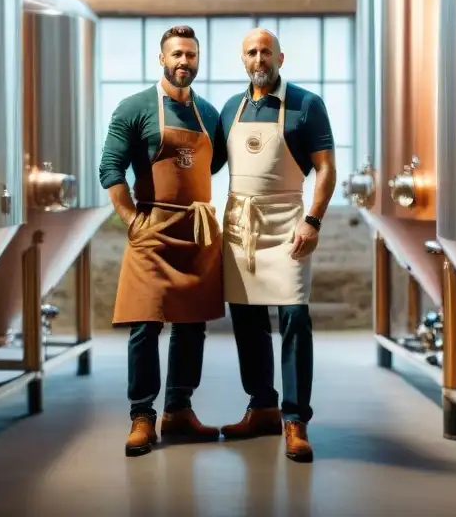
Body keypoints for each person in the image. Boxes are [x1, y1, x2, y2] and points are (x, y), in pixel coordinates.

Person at [99, 25, 225, 457]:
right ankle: (142, 415)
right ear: (161, 58)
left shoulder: (209, 114)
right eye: (176, 54)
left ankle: (179, 409)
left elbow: (217, 162)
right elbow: (110, 168)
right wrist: (131, 219)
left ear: (197, 59)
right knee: (145, 324)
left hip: (196, 228)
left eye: (190, 55)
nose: (183, 62)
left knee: (192, 326)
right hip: (151, 227)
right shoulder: (134, 108)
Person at [213, 28, 337, 463]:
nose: (259, 58)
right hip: (239, 224)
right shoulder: (231, 108)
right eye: (251, 51)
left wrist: (313, 220)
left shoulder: (307, 105)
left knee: (294, 320)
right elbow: (205, 164)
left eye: (266, 51)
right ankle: (262, 406)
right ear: (242, 59)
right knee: (246, 322)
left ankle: (296, 419)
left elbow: (325, 169)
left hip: (287, 226)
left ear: (280, 58)